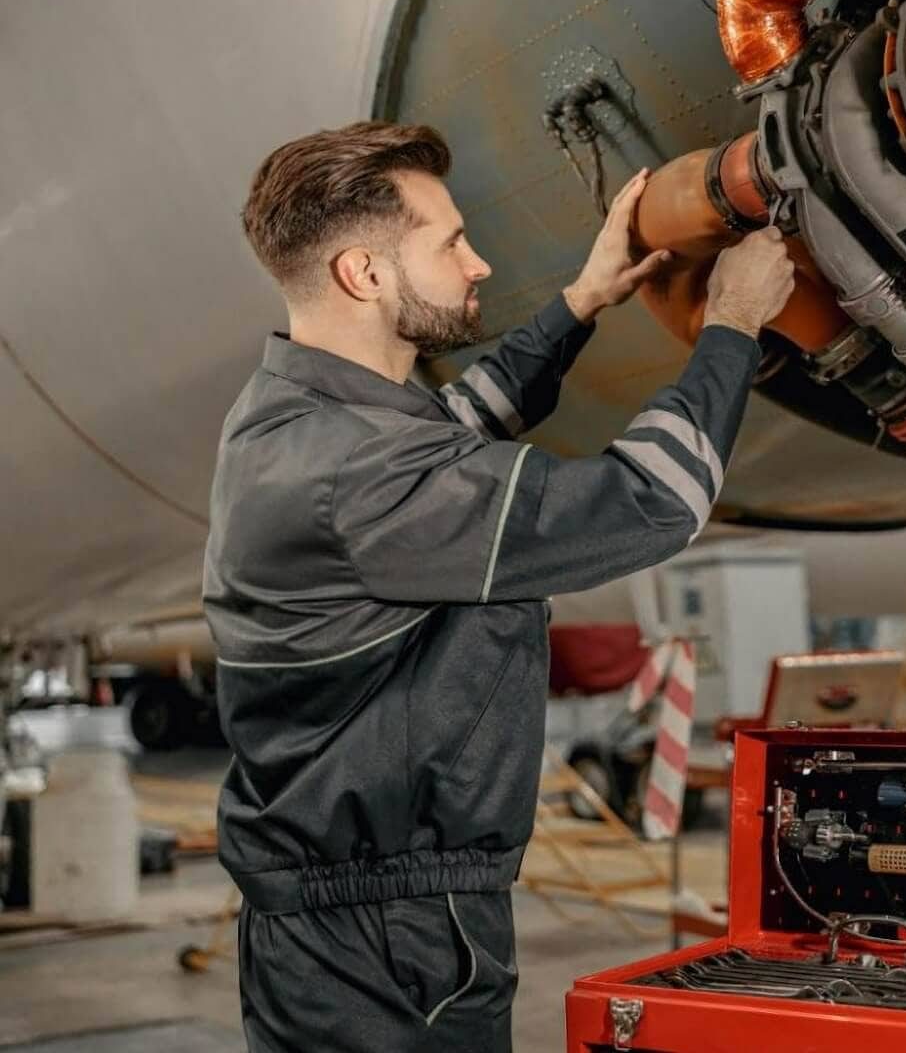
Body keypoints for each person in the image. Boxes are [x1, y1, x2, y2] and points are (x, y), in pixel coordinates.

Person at [201, 121, 794, 1051]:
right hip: (391, 937)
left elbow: (457, 428)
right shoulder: (365, 476)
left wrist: (583, 301)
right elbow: (650, 500)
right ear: (365, 273)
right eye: (449, 242)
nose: (476, 265)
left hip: (341, 921)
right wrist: (733, 326)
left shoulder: (294, 414)